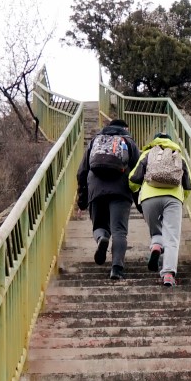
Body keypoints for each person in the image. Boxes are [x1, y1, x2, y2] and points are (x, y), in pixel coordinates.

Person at [76, 117, 138, 280]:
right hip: (121, 191)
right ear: (126, 128)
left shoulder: (95, 141)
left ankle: (102, 238)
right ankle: (116, 269)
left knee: (99, 225)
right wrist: (139, 201)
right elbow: (139, 173)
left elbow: (82, 171)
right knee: (119, 230)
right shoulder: (129, 141)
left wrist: (82, 198)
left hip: (96, 189)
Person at [129, 133, 191, 286]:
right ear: (171, 142)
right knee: (172, 237)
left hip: (149, 198)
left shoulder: (147, 153)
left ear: (155, 141)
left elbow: (133, 179)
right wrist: (180, 197)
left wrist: (139, 192)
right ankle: (168, 274)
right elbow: (188, 186)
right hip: (173, 198)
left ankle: (156, 245)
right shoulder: (178, 156)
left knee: (156, 231)